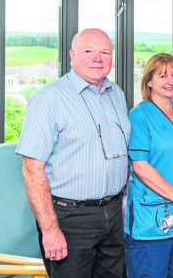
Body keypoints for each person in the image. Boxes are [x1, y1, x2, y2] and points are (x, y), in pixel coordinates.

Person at [17, 28, 130, 278]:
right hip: (69, 219)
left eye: (104, 52)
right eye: (88, 51)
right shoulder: (49, 99)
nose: (97, 58)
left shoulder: (117, 94)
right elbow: (32, 170)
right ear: (72, 55)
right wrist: (49, 230)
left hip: (113, 212)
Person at [124, 53, 173, 278]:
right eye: (162, 75)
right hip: (150, 220)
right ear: (149, 81)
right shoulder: (139, 116)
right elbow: (140, 166)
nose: (170, 80)